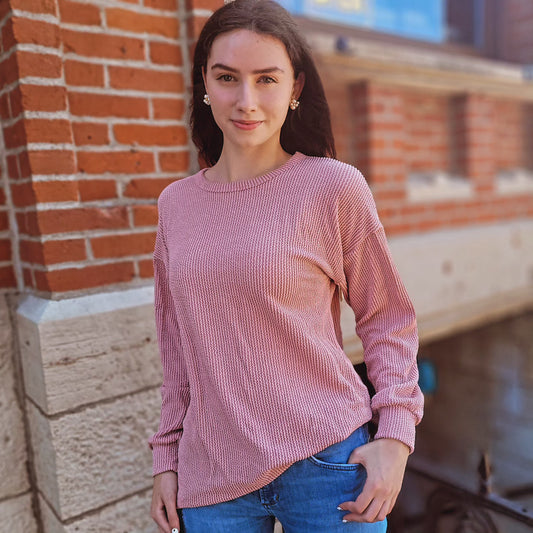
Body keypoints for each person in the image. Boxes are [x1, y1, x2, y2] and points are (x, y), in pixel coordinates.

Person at [148, 0, 424, 531]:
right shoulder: (174, 205)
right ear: (204, 83)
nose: (246, 100)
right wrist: (167, 458)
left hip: (327, 463)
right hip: (213, 476)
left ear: (295, 87)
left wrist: (394, 435)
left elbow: (387, 316)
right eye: (227, 77)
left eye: (266, 79)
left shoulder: (332, 187)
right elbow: (177, 345)